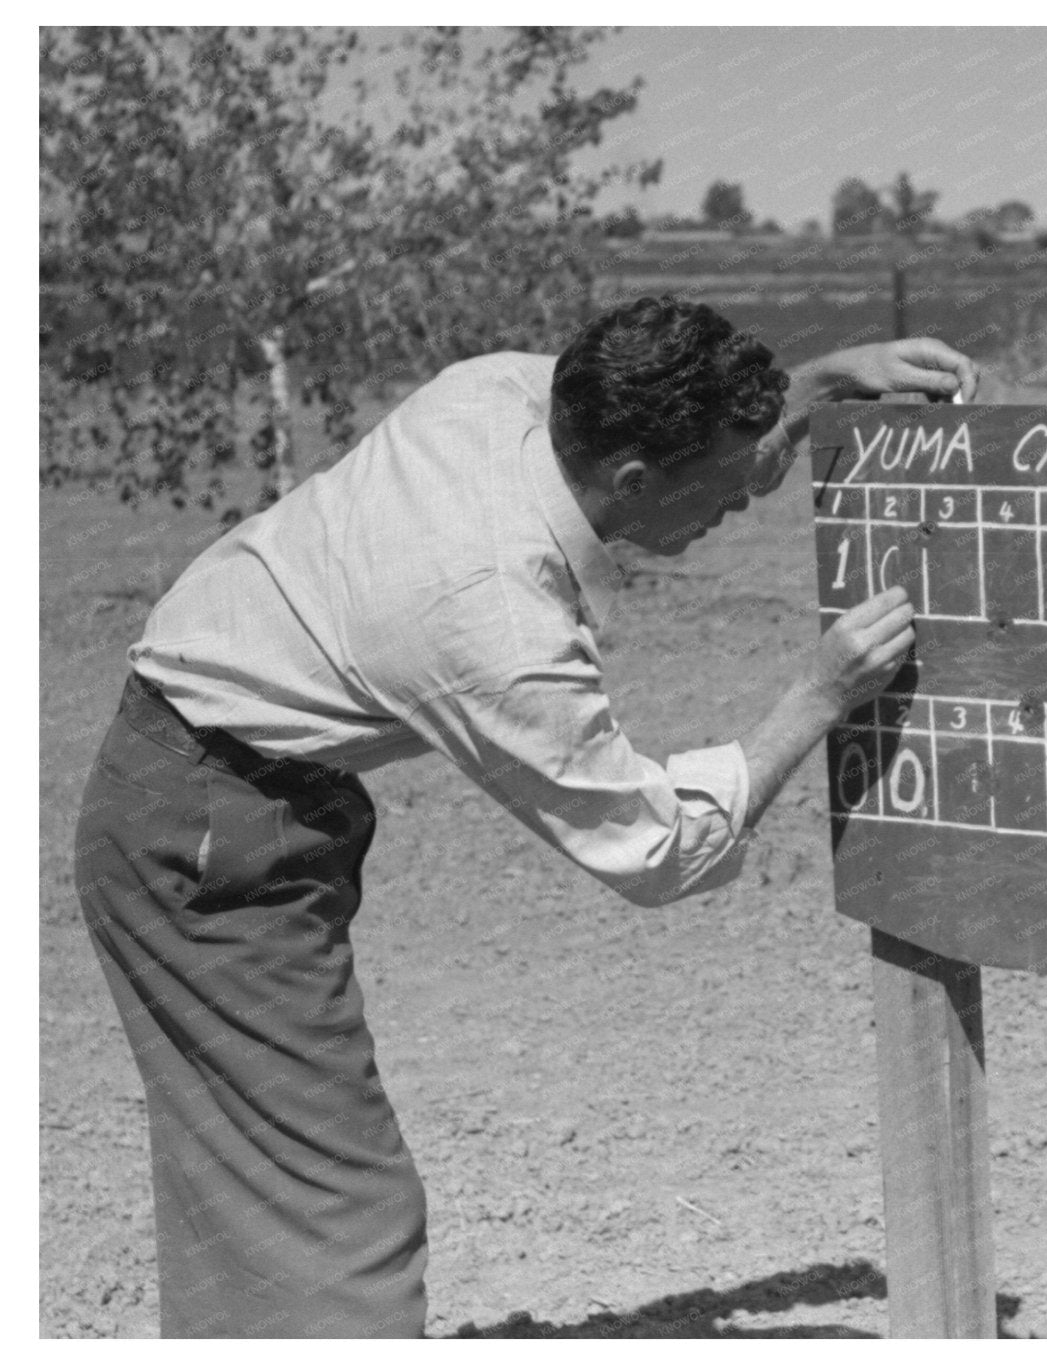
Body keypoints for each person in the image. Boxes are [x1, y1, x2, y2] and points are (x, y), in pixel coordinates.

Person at [72, 295, 976, 1337]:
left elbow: (677, 438)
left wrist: (819, 383)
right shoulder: (490, 619)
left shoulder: (504, 392)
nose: (744, 500)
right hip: (204, 835)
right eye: (729, 488)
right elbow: (655, 849)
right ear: (633, 483)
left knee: (249, 1177)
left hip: (199, 786)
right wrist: (817, 697)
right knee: (340, 1215)